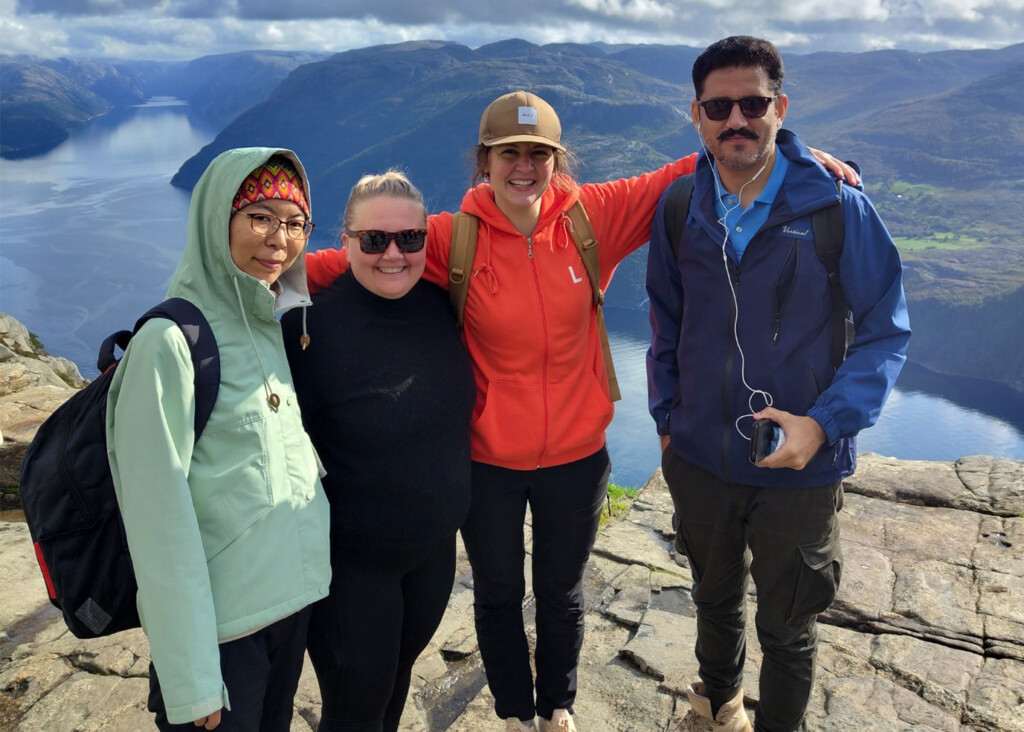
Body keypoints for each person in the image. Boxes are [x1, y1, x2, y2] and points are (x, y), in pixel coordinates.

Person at [304, 90, 855, 732]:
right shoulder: (450, 238)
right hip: (489, 460)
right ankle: (513, 712)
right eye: (510, 152)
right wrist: (247, 272)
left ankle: (555, 708)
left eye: (539, 153)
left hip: (577, 455)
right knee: (500, 594)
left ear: (557, 160)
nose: (524, 166)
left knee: (563, 594)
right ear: (484, 160)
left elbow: (687, 169)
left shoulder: (593, 217)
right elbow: (336, 264)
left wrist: (783, 156)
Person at [646, 37, 911, 731]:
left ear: (780, 107)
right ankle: (718, 705)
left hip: (802, 466)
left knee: (789, 627)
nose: (737, 119)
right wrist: (669, 422)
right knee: (713, 597)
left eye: (753, 103)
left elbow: (886, 329)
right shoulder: (681, 208)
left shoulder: (835, 208)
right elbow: (666, 325)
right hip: (700, 458)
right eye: (719, 106)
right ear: (697, 116)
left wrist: (823, 426)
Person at [106, 148, 332, 731]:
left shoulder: (269, 320)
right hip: (223, 638)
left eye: (293, 222)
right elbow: (159, 524)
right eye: (258, 216)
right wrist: (192, 677)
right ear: (217, 218)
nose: (278, 239)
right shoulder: (169, 341)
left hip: (285, 614)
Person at [281, 171, 475, 732]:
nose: (393, 254)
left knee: (393, 689)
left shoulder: (444, 305)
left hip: (433, 557)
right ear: (344, 241)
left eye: (410, 239)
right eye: (374, 240)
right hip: (350, 568)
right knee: (355, 708)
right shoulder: (306, 327)